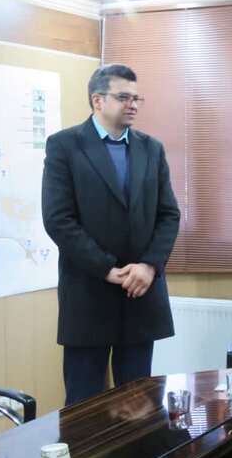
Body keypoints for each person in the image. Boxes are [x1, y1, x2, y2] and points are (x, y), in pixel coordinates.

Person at [42, 64, 180, 405]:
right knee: (84, 407)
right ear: (97, 100)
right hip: (88, 293)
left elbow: (168, 215)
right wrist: (106, 268)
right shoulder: (65, 146)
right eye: (123, 97)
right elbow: (58, 219)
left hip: (140, 293)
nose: (133, 104)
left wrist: (149, 266)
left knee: (139, 405)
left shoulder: (152, 149)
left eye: (136, 98)